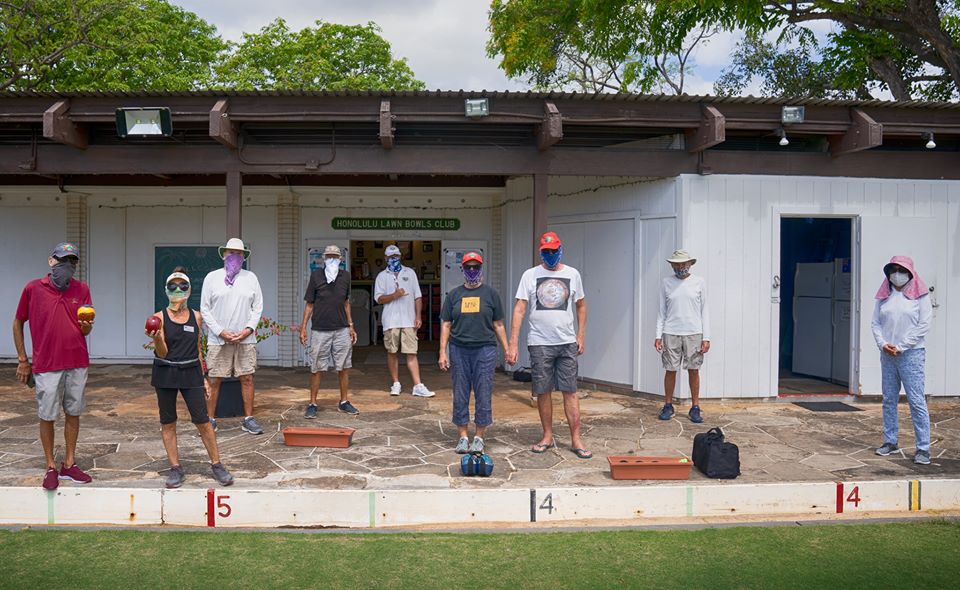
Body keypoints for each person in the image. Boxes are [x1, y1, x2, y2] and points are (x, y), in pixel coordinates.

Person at [12, 242, 95, 490]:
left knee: (73, 412)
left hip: (77, 361)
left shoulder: (82, 290)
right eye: (62, 260)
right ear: (51, 261)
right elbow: (18, 323)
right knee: (47, 415)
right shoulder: (33, 289)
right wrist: (23, 360)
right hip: (46, 364)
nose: (66, 266)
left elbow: (86, 329)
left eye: (71, 262)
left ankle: (69, 464)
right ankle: (50, 466)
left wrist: (87, 325)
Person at [506, 231, 591, 459]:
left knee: (570, 391)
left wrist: (580, 335)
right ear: (541, 252)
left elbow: (581, 306)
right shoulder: (530, 275)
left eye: (554, 251)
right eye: (546, 252)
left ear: (560, 249)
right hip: (539, 342)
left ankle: (576, 439)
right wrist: (513, 343)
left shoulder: (573, 274)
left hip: (566, 342)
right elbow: (519, 309)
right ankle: (547, 436)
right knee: (543, 392)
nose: (550, 255)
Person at [146, 268, 234, 488]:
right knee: (168, 422)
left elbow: (197, 348)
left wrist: (204, 377)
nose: (178, 290)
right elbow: (163, 352)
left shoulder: (196, 316)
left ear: (189, 290)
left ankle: (217, 464)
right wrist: (157, 338)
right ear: (166, 290)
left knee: (203, 420)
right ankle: (175, 468)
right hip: (166, 372)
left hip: (190, 372)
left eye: (182, 286)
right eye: (173, 286)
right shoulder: (159, 317)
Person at [438, 252, 508, 454]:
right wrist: (443, 351)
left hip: (485, 350)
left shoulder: (491, 294)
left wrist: (508, 348)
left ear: (481, 268)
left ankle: (479, 436)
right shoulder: (454, 295)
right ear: (462, 269)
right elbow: (446, 324)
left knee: (483, 392)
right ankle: (462, 436)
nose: (471, 270)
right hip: (459, 350)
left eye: (475, 267)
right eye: (468, 267)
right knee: (460, 393)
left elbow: (498, 324)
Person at [871, 255, 933, 465]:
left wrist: (902, 346)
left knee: (916, 401)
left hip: (911, 354)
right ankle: (890, 441)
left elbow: (924, 324)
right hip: (888, 354)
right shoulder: (884, 296)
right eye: (893, 270)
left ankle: (923, 447)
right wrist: (883, 344)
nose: (896, 274)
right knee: (889, 399)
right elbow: (875, 323)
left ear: (910, 272)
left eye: (901, 270)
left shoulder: (920, 296)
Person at [201, 237, 265, 435]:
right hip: (218, 339)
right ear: (224, 255)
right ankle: (210, 419)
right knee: (214, 379)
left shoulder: (251, 278)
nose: (234, 256)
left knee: (247, 378)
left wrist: (248, 329)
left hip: (245, 339)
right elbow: (205, 309)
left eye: (238, 253)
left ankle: (248, 418)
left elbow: (258, 307)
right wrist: (221, 331)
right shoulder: (212, 277)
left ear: (243, 257)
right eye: (230, 253)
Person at [299, 245, 360, 417]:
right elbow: (309, 303)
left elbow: (346, 302)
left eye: (335, 256)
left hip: (342, 328)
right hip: (320, 329)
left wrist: (351, 325)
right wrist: (303, 327)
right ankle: (312, 403)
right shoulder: (316, 275)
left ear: (340, 259)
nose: (332, 259)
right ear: (324, 259)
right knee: (316, 368)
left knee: (344, 367)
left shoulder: (345, 276)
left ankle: (344, 401)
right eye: (329, 256)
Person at [654, 249, 711, 423]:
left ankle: (695, 407)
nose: (680, 267)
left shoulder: (699, 282)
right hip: (671, 331)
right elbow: (661, 311)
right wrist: (658, 335)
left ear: (689, 264)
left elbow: (705, 311)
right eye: (676, 264)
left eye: (683, 264)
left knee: (694, 370)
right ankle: (668, 405)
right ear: (672, 265)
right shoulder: (666, 283)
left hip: (694, 332)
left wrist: (706, 337)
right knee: (670, 369)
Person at [374, 244, 434, 397]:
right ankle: (396, 383)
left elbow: (418, 296)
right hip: (390, 320)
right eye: (391, 257)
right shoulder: (382, 276)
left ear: (400, 257)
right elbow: (379, 299)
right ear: (385, 258)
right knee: (392, 352)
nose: (394, 259)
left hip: (408, 320)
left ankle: (418, 385)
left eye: (396, 256)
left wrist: (418, 316)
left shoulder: (410, 273)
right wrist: (394, 295)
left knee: (412, 352)